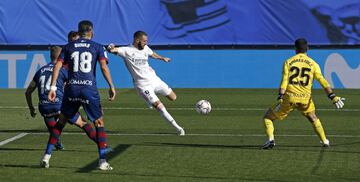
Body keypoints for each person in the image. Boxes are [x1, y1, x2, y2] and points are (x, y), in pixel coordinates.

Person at [45, 20, 116, 170]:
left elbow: (58, 65)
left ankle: (46, 156)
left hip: (72, 88)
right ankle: (102, 162)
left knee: (61, 121)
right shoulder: (98, 46)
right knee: (99, 122)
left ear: (78, 31)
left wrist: (52, 87)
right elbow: (103, 67)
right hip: (89, 88)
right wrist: (111, 86)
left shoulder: (68, 46)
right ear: (92, 31)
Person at [261, 38, 345, 149]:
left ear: (295, 48)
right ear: (307, 48)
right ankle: (324, 141)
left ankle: (271, 140)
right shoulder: (313, 63)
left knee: (268, 117)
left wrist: (280, 94)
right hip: (305, 99)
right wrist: (332, 96)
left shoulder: (288, 61)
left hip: (289, 98)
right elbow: (322, 81)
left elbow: (285, 80)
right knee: (313, 117)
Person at [107, 30, 185, 136]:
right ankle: (178, 128)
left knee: (173, 97)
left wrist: (162, 58)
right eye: (144, 41)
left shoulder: (145, 48)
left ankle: (148, 98)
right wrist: (110, 47)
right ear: (137, 40)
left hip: (154, 79)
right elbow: (113, 50)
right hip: (142, 85)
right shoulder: (126, 50)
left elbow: (152, 54)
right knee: (159, 106)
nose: (146, 43)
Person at [25, 46, 101, 153]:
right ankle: (101, 144)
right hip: (59, 105)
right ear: (61, 56)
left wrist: (31, 108)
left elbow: (28, 92)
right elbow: (73, 87)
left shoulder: (40, 71)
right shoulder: (63, 70)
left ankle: (57, 143)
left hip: (44, 106)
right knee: (83, 123)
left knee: (52, 124)